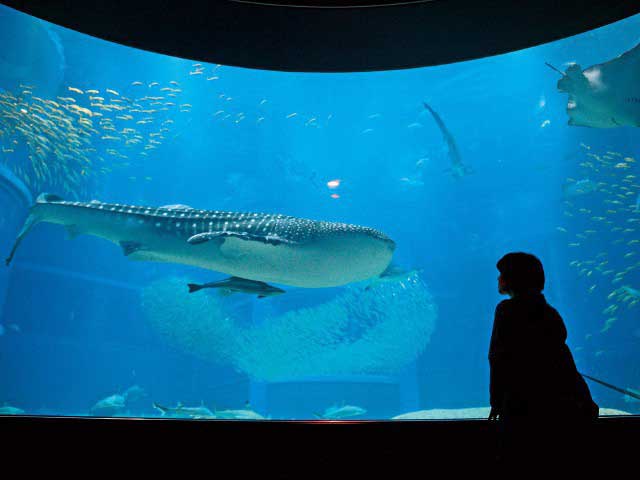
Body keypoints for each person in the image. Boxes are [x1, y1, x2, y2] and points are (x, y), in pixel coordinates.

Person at [488, 252, 598, 466]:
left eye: (502, 274)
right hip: (564, 405)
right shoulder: (551, 313)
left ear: (512, 279)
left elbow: (497, 357)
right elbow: (561, 356)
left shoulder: (506, 310)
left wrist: (496, 401)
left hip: (524, 405)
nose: (498, 278)